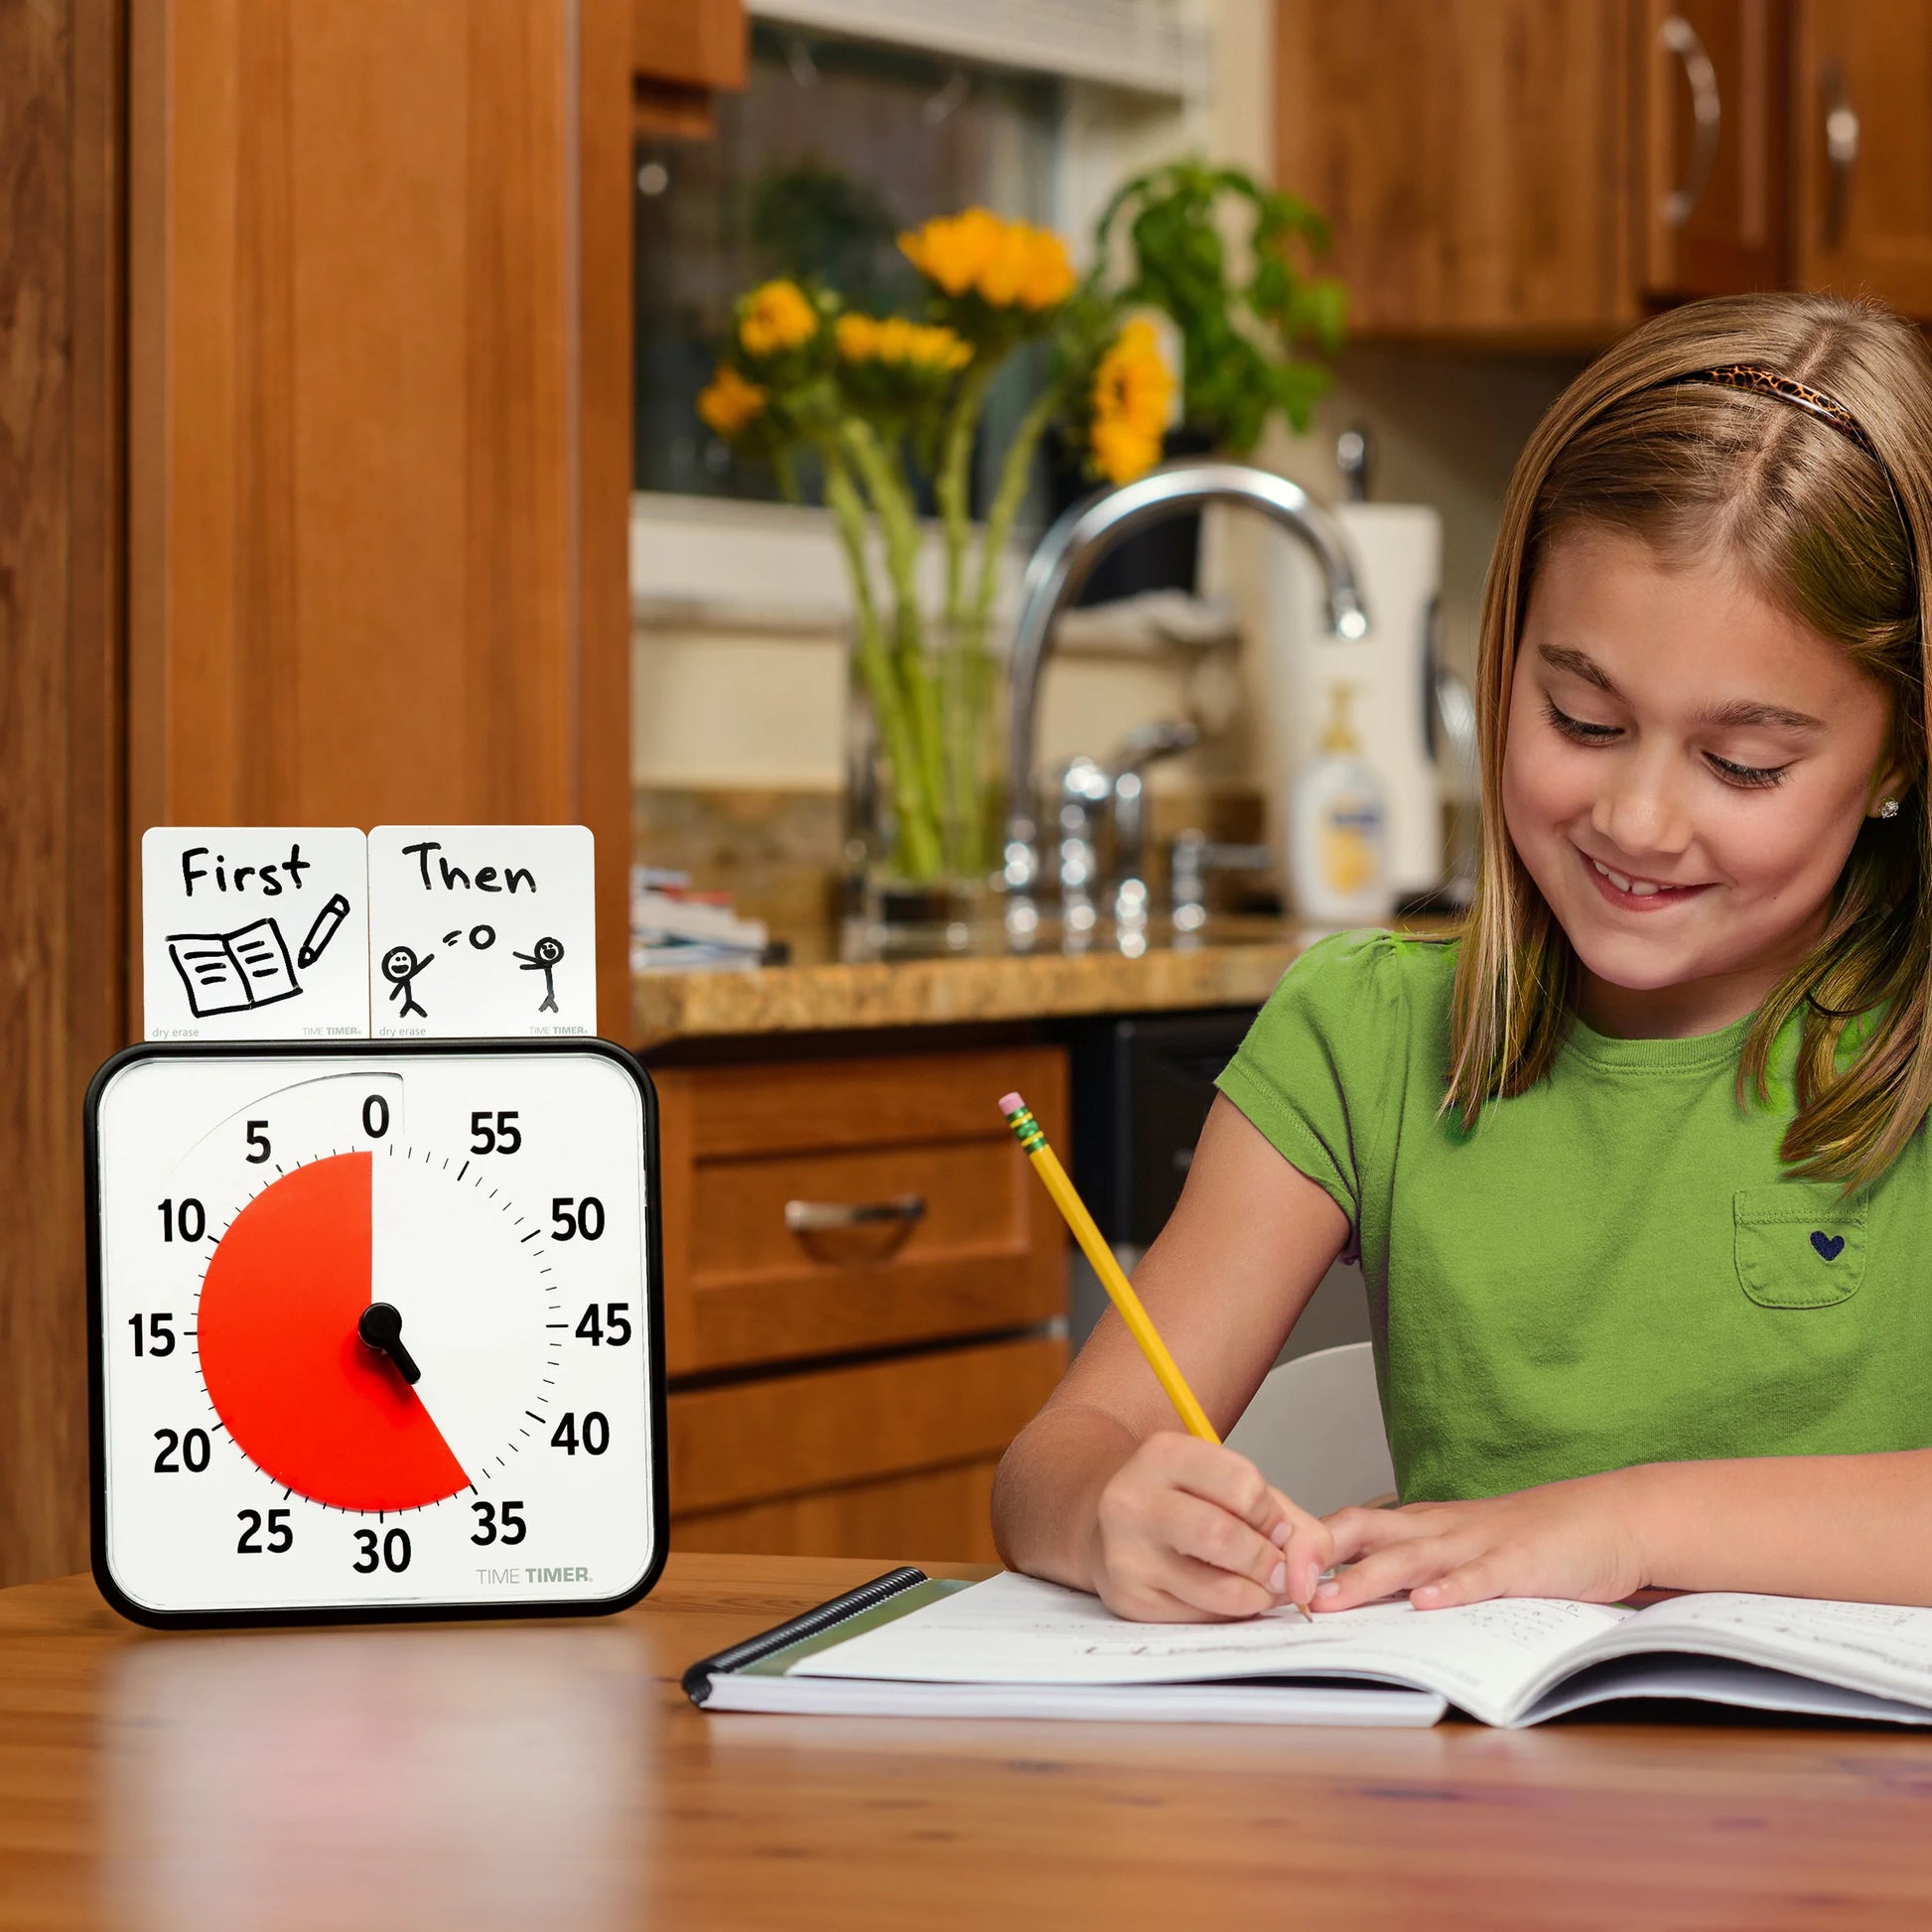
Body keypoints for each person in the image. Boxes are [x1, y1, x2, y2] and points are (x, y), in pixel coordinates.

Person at [993, 292, 1932, 1623]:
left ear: (1898, 751)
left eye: (1742, 762)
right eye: (1580, 716)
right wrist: (1107, 1514)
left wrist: (1619, 1524)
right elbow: (1054, 1458)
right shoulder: (1360, 1033)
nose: (1637, 820)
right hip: (1467, 1808)